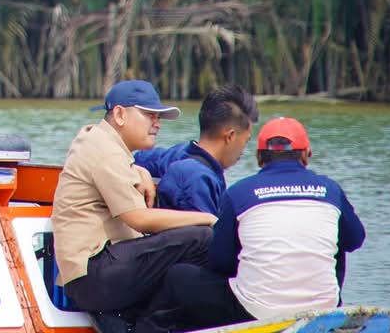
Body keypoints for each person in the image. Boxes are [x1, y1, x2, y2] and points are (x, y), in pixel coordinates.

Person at [162, 117, 366, 329]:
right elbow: (355, 241)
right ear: (307, 155)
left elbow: (219, 262)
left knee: (179, 275)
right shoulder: (331, 190)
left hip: (256, 311)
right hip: (323, 308)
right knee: (339, 241)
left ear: (259, 157)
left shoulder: (239, 193)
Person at [52, 80, 216, 324]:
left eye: (158, 117)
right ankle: (148, 326)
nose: (157, 124)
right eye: (149, 115)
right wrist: (209, 219)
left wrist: (140, 169)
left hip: (90, 275)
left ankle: (142, 322)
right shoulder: (106, 152)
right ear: (119, 114)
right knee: (201, 239)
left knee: (184, 259)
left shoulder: (98, 141)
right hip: (95, 274)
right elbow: (139, 219)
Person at [134, 84, 259, 214]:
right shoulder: (199, 179)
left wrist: (138, 170)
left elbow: (136, 158)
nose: (243, 151)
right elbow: (204, 232)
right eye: (246, 141)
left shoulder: (178, 153)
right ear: (230, 136)